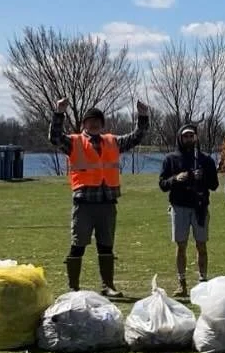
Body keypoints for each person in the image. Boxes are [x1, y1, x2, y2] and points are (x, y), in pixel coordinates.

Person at [49, 97, 150, 297]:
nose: (94, 124)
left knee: (106, 246)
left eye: (97, 121)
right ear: (83, 124)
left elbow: (136, 137)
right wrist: (59, 112)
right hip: (84, 204)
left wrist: (143, 116)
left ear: (102, 124)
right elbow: (55, 137)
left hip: (107, 203)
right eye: (90, 121)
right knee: (78, 245)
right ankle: (73, 288)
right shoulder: (74, 142)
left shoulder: (112, 141)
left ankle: (108, 286)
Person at [158, 124, 219, 299]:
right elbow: (162, 184)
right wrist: (175, 179)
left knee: (201, 244)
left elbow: (214, 185)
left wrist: (203, 177)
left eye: (191, 136)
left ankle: (203, 282)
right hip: (179, 208)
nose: (189, 139)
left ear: (196, 137)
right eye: (185, 136)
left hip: (200, 207)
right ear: (180, 138)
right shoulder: (171, 159)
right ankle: (182, 283)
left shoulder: (205, 160)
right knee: (181, 245)